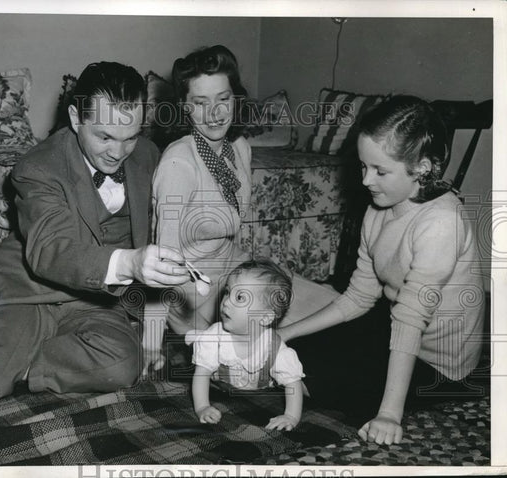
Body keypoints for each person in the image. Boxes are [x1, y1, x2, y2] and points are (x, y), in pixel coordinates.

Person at [0, 62, 190, 404]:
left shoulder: (149, 155)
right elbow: (52, 249)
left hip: (95, 301)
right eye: (105, 137)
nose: (118, 152)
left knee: (123, 364)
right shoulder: (37, 167)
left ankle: (18, 364)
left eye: (131, 137)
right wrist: (130, 262)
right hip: (28, 294)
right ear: (76, 118)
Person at [277, 95, 485, 444]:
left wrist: (389, 414)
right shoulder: (378, 210)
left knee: (326, 378)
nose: (365, 180)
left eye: (380, 171)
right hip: (393, 330)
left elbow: (410, 319)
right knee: (297, 353)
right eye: (363, 166)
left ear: (421, 168)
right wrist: (285, 333)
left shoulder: (441, 222)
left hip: (442, 369)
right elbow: (358, 296)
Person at [142, 45, 253, 375]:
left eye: (223, 99)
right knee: (241, 365)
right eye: (201, 103)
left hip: (230, 275)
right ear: (185, 107)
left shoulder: (240, 148)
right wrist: (150, 342)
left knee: (306, 309)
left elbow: (236, 229)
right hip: (189, 291)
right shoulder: (178, 163)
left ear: (236, 98)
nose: (215, 114)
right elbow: (163, 260)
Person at [189, 259, 305, 431]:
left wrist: (291, 416)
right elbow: (201, 374)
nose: (226, 301)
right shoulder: (214, 337)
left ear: (265, 317)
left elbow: (292, 384)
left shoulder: (274, 349)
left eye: (240, 297)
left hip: (264, 390)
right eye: (228, 292)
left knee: (297, 381)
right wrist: (202, 407)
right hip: (220, 386)